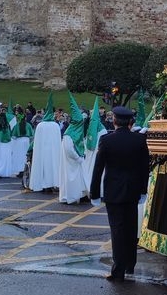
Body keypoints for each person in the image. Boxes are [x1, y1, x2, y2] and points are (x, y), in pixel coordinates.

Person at [89, 105, 150, 281]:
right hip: (132, 190)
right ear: (130, 122)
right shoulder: (139, 140)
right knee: (131, 228)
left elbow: (98, 169)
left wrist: (94, 193)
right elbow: (144, 168)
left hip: (113, 190)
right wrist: (143, 190)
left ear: (114, 121)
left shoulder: (107, 140)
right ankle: (130, 265)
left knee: (117, 230)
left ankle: (118, 270)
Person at [58, 93, 89, 204]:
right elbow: (69, 150)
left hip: (77, 160)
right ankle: (71, 197)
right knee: (72, 179)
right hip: (72, 162)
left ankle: (82, 195)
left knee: (81, 177)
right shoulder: (69, 134)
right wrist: (78, 158)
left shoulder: (76, 131)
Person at [29, 94, 61, 191]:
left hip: (42, 151)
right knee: (52, 166)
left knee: (43, 167)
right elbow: (58, 141)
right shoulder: (55, 125)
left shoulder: (40, 125)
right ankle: (52, 183)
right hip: (53, 152)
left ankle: (43, 184)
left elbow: (36, 140)